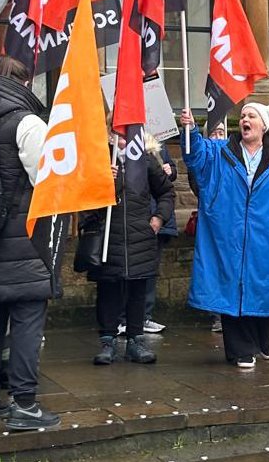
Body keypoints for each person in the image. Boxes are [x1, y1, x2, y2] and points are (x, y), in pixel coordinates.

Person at [179, 102, 269, 369]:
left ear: (263, 126)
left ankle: (261, 339)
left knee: (264, 290)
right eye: (242, 115)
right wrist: (190, 131)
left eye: (251, 115)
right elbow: (194, 155)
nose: (245, 119)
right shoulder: (218, 153)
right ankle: (241, 349)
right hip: (227, 237)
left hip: (266, 239)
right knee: (230, 289)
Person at [0, 55, 59, 431]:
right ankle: (24, 404)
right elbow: (44, 177)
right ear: (25, 83)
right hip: (23, 236)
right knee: (27, 318)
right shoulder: (27, 121)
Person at [83, 129, 175, 365]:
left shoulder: (144, 160)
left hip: (139, 237)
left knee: (137, 289)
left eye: (126, 131)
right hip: (109, 237)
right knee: (109, 290)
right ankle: (107, 341)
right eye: (117, 131)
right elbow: (85, 202)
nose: (122, 137)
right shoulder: (99, 159)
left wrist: (158, 219)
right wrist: (105, 182)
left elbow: (166, 192)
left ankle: (136, 340)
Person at [186, 121, 227, 334]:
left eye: (222, 132)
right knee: (213, 268)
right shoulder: (203, 159)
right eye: (214, 133)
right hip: (211, 222)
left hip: (232, 223)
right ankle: (217, 315)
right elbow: (198, 186)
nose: (219, 137)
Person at [142, 135, 178, 334]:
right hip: (133, 220)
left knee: (150, 270)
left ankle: (145, 316)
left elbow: (170, 177)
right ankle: (121, 318)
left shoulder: (158, 146)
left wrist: (169, 170)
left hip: (156, 219)